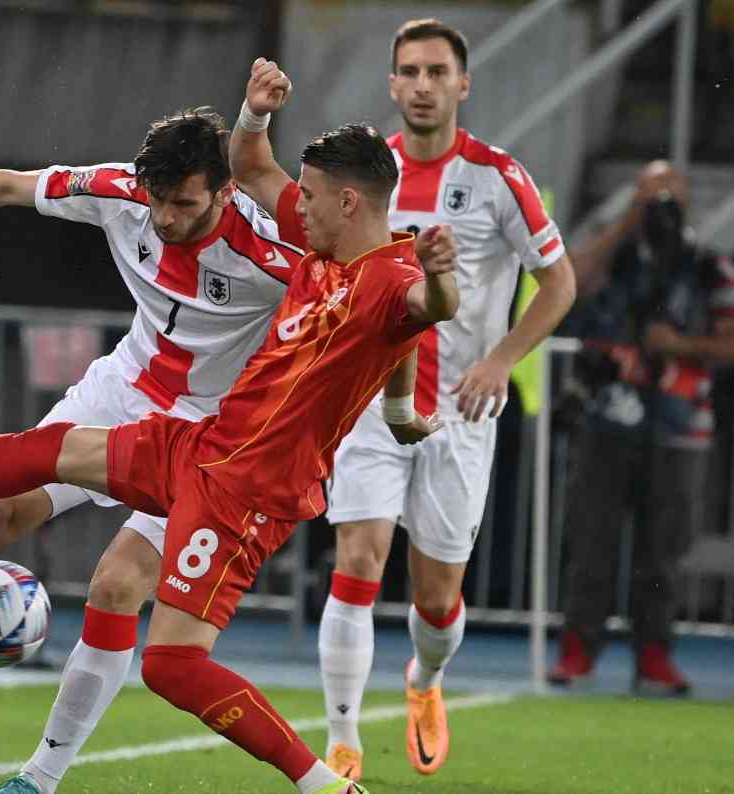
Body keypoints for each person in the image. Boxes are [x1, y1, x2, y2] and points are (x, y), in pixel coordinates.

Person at [0, 121, 460, 794]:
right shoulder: (143, 196)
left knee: (137, 615)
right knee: (33, 473)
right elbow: (10, 184)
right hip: (156, 412)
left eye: (184, 204)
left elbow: (409, 312)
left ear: (223, 195)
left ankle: (53, 777)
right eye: (158, 201)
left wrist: (427, 325)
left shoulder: (296, 254)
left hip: (232, 460)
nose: (163, 218)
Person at [229, 20, 577, 781]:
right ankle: (343, 740)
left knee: (437, 597)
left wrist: (501, 359)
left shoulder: (498, 176)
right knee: (356, 556)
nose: (423, 84)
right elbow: (271, 189)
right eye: (409, 71)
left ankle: (424, 680)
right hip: (364, 407)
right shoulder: (364, 174)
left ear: (462, 84)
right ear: (391, 84)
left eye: (437, 71)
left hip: (459, 413)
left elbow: (560, 282)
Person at [551, 160, 734, 695]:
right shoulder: (613, 258)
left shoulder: (708, 266)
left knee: (665, 550)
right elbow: (566, 283)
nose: (659, 202)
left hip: (681, 428)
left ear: (686, 201)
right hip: (604, 420)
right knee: (590, 541)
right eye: (648, 192)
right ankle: (576, 650)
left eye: (669, 193)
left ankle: (655, 655)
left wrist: (679, 347)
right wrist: (623, 225)